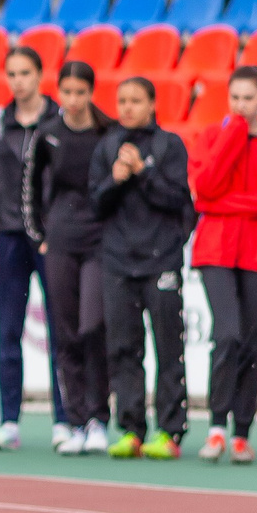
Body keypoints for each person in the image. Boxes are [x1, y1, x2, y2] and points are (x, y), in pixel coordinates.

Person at [189, 65, 257, 464]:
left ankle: (242, 431)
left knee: (253, 340)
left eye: (248, 98)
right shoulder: (212, 136)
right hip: (215, 251)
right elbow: (205, 188)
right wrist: (234, 132)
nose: (241, 105)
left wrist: (220, 205)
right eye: (235, 98)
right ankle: (217, 425)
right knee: (227, 334)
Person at [92, 76, 193, 459]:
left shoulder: (170, 145)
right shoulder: (107, 146)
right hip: (117, 262)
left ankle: (169, 431)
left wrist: (143, 171)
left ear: (152, 103)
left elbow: (178, 199)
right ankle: (131, 429)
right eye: (122, 100)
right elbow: (95, 203)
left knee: (169, 347)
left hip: (160, 261)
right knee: (122, 348)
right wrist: (114, 180)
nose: (128, 107)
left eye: (136, 100)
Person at [23, 59, 113, 455]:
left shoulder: (108, 131)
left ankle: (99, 419)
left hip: (99, 243)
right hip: (60, 241)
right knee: (65, 333)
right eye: (67, 92)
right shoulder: (47, 134)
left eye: (80, 92)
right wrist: (39, 236)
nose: (73, 100)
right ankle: (75, 421)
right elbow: (29, 188)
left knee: (93, 327)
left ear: (91, 93)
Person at [0, 44, 60, 452]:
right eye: (11, 74)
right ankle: (8, 421)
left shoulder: (59, 117)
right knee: (8, 330)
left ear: (39, 74)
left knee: (62, 332)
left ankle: (66, 421)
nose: (18, 81)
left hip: (51, 239)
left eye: (25, 73)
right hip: (8, 236)